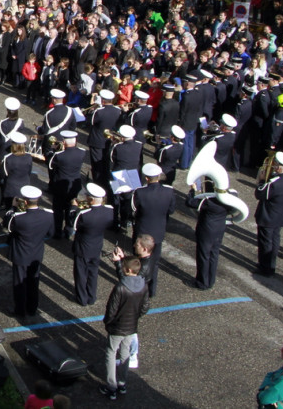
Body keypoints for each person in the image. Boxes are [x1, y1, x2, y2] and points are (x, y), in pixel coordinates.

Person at [100, 256, 149, 401]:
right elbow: (145, 307)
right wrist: (135, 317)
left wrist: (108, 322)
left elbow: (111, 309)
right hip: (131, 326)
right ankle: (122, 383)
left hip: (117, 327)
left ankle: (111, 386)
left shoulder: (120, 287)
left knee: (110, 352)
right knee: (125, 353)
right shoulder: (143, 285)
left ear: (127, 270)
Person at [5, 185, 54, 317]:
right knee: (33, 282)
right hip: (36, 254)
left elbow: (7, 225)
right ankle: (32, 308)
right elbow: (51, 233)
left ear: (25, 202)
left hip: (20, 254)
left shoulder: (18, 218)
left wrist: (13, 207)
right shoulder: (48, 216)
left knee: (19, 284)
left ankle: (20, 310)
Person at [131, 163, 175, 297]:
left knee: (138, 261)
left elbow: (133, 210)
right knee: (154, 262)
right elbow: (171, 210)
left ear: (147, 178)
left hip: (142, 230)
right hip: (159, 231)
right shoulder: (169, 191)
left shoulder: (139, 192)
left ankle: (138, 287)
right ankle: (152, 290)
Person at [69, 183, 115, 306]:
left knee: (81, 273)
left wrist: (74, 208)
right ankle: (91, 296)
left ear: (91, 199)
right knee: (93, 272)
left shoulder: (84, 214)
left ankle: (82, 298)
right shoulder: (109, 211)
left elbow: (73, 222)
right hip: (97, 244)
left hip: (83, 246)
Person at [255, 152, 283, 276]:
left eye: (275, 165)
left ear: (279, 167)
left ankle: (265, 268)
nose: (273, 167)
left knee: (265, 243)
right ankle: (271, 265)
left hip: (268, 216)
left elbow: (260, 194)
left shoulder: (275, 183)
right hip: (280, 214)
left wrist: (262, 181)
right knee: (274, 240)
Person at [48, 131, 85, 238]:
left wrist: (52, 150)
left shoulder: (59, 155)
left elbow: (50, 165)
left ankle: (57, 232)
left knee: (58, 210)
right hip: (74, 185)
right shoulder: (82, 152)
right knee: (70, 208)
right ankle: (68, 230)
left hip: (60, 186)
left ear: (64, 142)